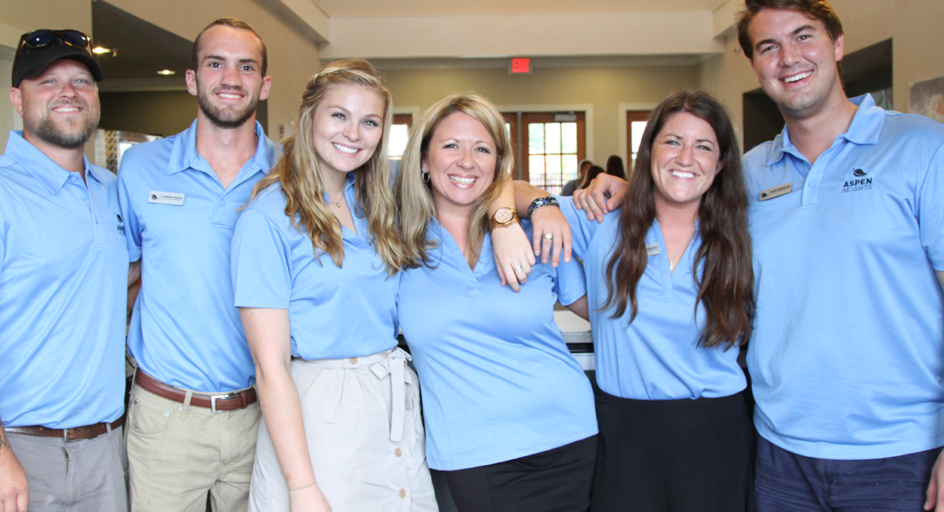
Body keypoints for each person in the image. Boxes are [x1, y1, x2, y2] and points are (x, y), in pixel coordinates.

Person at [735, 1, 944, 510]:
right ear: (756, 65)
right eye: (769, 46)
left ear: (837, 43)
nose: (789, 57)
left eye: (804, 36)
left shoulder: (922, 147)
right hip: (780, 453)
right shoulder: (748, 173)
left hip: (903, 453)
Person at [521, 91, 755, 511]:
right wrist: (540, 208)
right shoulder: (602, 219)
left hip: (716, 434)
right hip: (625, 434)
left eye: (703, 146)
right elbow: (505, 188)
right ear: (648, 152)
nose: (686, 157)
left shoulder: (742, 234)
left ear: (720, 164)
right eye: (672, 142)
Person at [231, 59, 438, 512]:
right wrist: (302, 488)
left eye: (369, 122)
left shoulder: (375, 197)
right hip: (317, 412)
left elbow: (472, 175)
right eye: (338, 115)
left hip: (390, 402)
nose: (353, 133)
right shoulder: (268, 218)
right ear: (310, 118)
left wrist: (528, 209)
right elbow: (271, 369)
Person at [395, 93, 598, 512]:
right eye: (450, 145)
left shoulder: (533, 228)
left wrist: (538, 206)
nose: (466, 161)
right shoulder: (395, 245)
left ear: (497, 165)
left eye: (482, 148)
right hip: (473, 452)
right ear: (423, 161)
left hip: (568, 434)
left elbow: (597, 310)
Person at [117, 18, 278, 511]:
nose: (231, 78)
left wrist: (519, 205)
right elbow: (120, 278)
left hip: (265, 416)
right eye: (216, 64)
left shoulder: (290, 176)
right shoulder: (140, 167)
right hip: (167, 418)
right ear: (191, 79)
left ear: (263, 85)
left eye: (246, 66)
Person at [0, 29, 129, 512]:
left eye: (81, 80)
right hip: (21, 448)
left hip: (107, 444)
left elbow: (127, 281)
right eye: (47, 81)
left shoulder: (113, 189)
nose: (68, 92)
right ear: (18, 98)